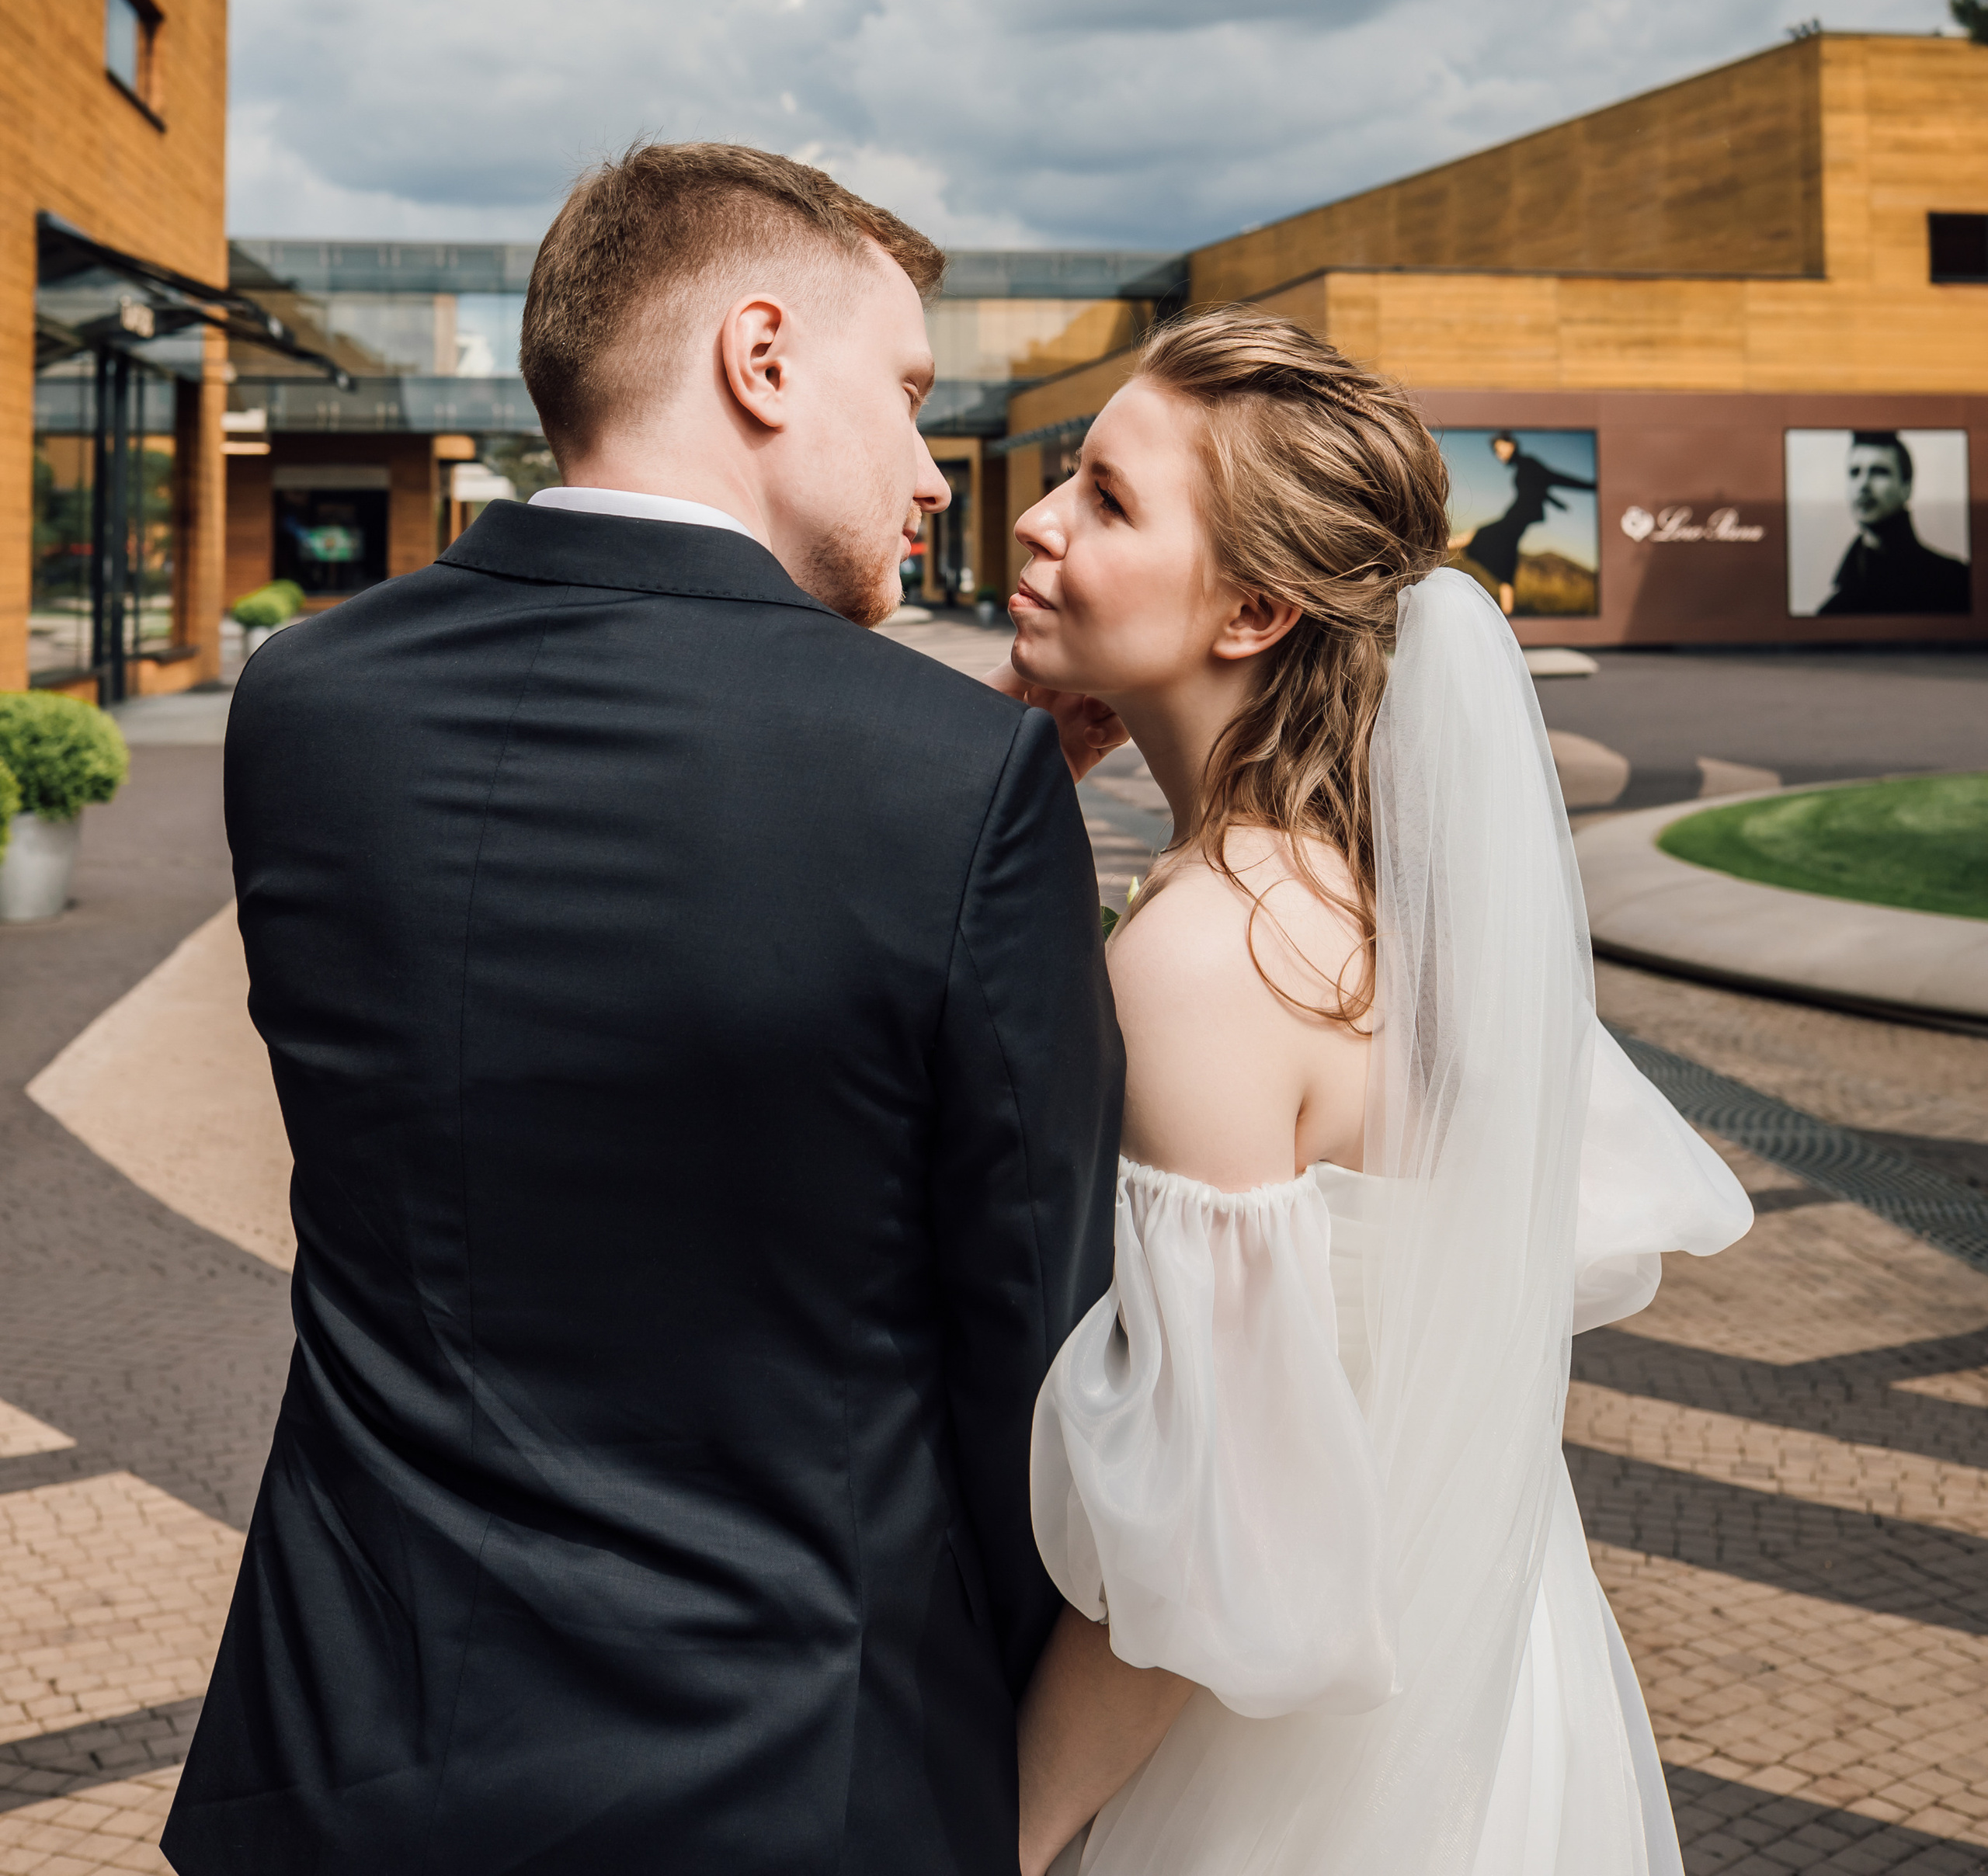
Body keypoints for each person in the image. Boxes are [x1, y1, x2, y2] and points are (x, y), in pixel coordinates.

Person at [163, 143, 1122, 1876]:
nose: (930, 470)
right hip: (781, 1776)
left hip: (340, 1754)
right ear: (761, 361)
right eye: (909, 395)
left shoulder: (303, 705)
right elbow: (1032, 1360)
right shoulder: (955, 778)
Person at [999, 311, 1752, 1876]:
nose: (1037, 521)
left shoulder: (1211, 954)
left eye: (1108, 500)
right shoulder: (1361, 894)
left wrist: (999, 1835)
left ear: (1254, 609)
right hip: (1482, 1677)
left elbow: (1207, 1553)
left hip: (1277, 1775)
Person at [1817, 429, 1971, 616]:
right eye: (1854, 472)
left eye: (1879, 472)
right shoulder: (1833, 612)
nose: (1863, 485)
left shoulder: (1957, 582)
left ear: (1907, 487)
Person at [1462, 431, 1597, 617]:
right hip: (1517, 519)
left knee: (1477, 535)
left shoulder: (1529, 464)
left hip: (1516, 518)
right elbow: (1537, 489)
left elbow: (1554, 478)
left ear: (1512, 444)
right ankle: (1508, 613)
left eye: (1501, 449)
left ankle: (1435, 549)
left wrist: (1592, 486)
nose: (1500, 455)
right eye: (1497, 453)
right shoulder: (1524, 467)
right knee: (1507, 561)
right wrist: (1556, 502)